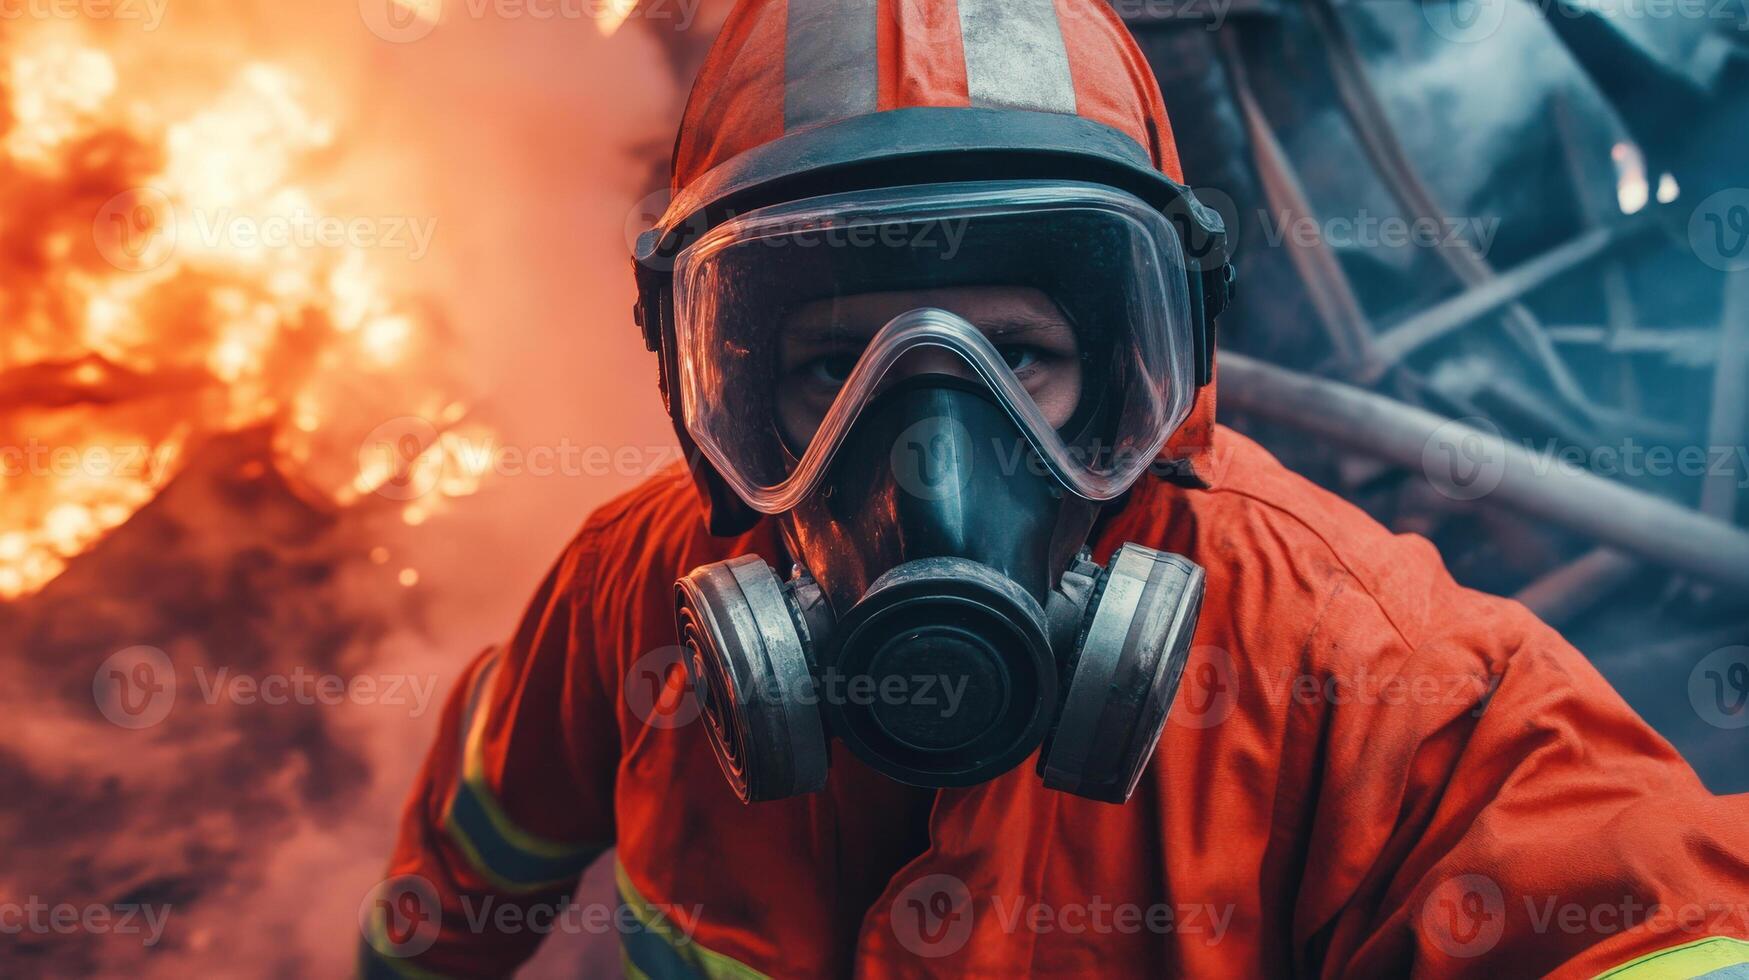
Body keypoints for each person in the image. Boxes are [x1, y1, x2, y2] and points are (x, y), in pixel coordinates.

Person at [360, 1, 1749, 976]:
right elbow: (471, 859)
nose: (927, 452)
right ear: (710, 375)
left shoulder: (1360, 673)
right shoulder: (632, 585)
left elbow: (1642, 909)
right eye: (832, 366)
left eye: (1017, 356)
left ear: (1140, 359)